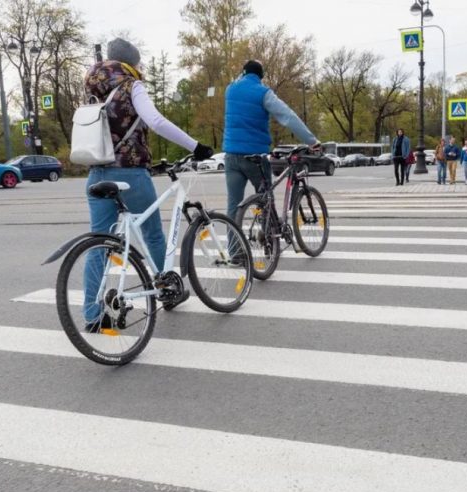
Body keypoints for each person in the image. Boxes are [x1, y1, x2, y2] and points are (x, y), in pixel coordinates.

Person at [83, 38, 213, 331]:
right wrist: (196, 145)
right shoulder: (132, 86)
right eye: (138, 63)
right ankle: (168, 291)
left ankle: (91, 314)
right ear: (130, 62)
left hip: (96, 175)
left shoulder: (93, 90)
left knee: (97, 245)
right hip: (129, 173)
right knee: (153, 234)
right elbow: (155, 120)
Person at [223, 60, 319, 222]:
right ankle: (269, 241)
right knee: (266, 200)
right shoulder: (263, 93)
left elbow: (240, 79)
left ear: (244, 73)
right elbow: (287, 116)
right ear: (260, 77)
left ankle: (234, 248)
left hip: (231, 156)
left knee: (233, 206)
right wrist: (311, 140)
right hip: (256, 158)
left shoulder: (230, 90)